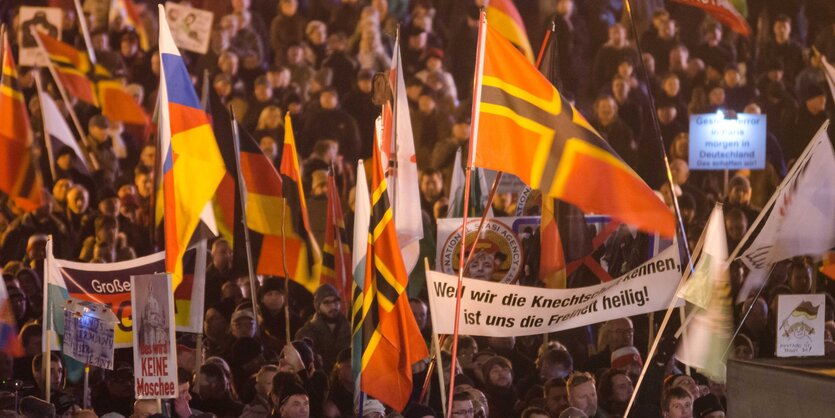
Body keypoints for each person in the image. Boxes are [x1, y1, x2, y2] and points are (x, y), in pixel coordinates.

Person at [295, 284, 350, 372]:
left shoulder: (352, 330)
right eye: (326, 302)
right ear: (318, 307)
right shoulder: (305, 334)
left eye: (336, 301)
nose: (333, 306)